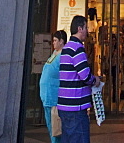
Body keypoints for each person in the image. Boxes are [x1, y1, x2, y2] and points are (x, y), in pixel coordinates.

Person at [58, 15, 100, 143]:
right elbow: (85, 75)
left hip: (64, 104)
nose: (87, 31)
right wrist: (95, 80)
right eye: (86, 27)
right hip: (76, 105)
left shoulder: (66, 48)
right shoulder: (77, 49)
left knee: (67, 138)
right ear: (80, 28)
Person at [40, 30, 67, 143]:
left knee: (56, 129)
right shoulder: (54, 54)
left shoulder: (63, 56)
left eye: (55, 40)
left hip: (54, 98)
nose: (53, 43)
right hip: (47, 97)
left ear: (62, 41)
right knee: (52, 128)